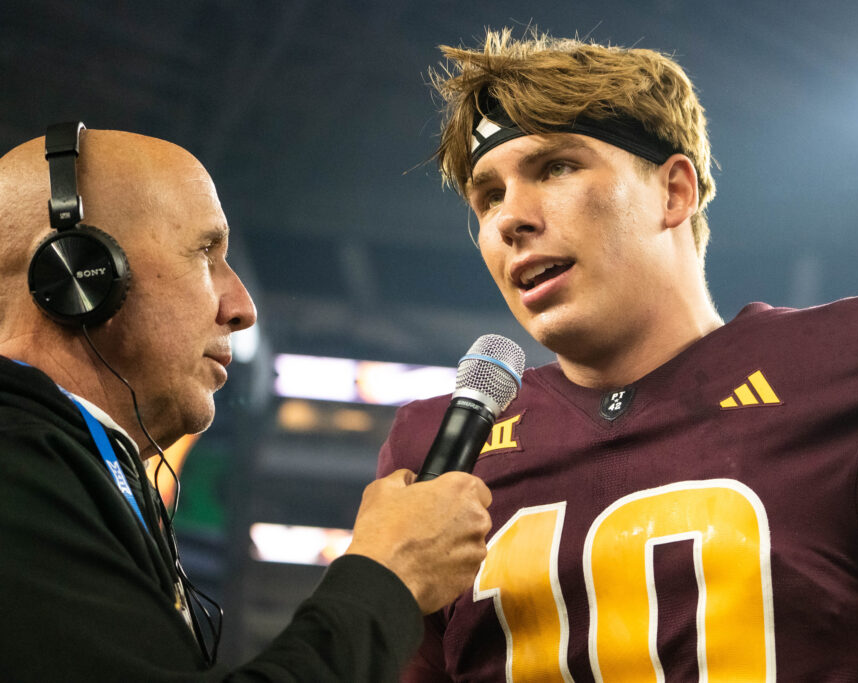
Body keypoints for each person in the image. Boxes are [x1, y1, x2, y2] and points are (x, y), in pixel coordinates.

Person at [376, 28, 858, 681]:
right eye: (488, 195)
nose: (509, 218)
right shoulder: (437, 454)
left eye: (556, 167)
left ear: (674, 191)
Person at [0, 124, 492, 681]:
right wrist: (390, 575)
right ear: (81, 271)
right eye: (205, 254)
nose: (241, 306)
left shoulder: (62, 464)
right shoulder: (15, 464)